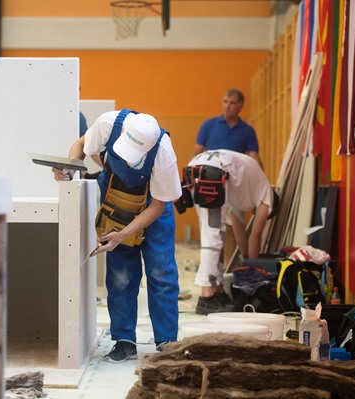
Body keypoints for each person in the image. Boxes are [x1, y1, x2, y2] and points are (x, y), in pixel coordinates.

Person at [52, 109, 181, 363]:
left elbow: (157, 206)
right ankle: (124, 341)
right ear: (123, 132)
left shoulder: (164, 153)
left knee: (161, 273)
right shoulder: (108, 123)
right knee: (121, 274)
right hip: (116, 200)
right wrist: (69, 170)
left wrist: (124, 233)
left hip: (152, 206)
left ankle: (167, 341)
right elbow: (81, 145)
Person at [182, 150, 276, 315]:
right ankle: (206, 297)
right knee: (213, 236)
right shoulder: (266, 194)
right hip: (213, 172)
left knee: (217, 235)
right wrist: (252, 267)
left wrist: (244, 257)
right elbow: (255, 236)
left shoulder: (242, 194)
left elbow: (241, 236)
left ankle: (216, 290)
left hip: (197, 169)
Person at [191, 89, 263, 168]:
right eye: (225, 102)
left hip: (236, 175)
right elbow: (197, 152)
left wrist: (262, 178)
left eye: (232, 103)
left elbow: (254, 157)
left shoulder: (248, 131)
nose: (227, 106)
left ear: (240, 106)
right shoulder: (208, 125)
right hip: (210, 174)